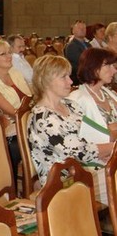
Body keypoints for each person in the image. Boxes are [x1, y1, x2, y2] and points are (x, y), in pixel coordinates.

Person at [28, 55, 113, 193]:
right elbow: (81, 152)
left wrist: (105, 153)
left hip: (86, 169)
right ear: (46, 81)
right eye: (64, 77)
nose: (71, 81)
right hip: (64, 183)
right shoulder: (43, 119)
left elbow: (89, 136)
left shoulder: (70, 105)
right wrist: (112, 148)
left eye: (69, 76)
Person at [0, 39, 32, 183]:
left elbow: (31, 98)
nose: (9, 56)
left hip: (28, 122)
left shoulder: (15, 73)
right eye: (3, 54)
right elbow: (14, 113)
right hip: (12, 132)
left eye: (9, 52)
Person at [70, 47, 117, 144]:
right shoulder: (76, 99)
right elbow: (88, 136)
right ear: (94, 67)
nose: (114, 70)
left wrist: (112, 129)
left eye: (113, 65)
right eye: (108, 65)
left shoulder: (111, 94)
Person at [64, 20, 90, 85]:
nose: (82, 30)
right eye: (79, 28)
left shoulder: (88, 45)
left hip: (89, 74)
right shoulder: (71, 46)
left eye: (84, 28)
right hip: (78, 78)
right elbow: (82, 62)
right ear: (73, 31)